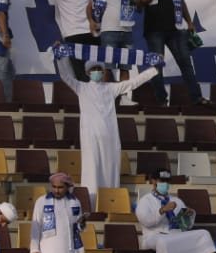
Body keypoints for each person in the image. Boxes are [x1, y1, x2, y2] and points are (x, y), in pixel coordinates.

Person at [57, 51, 159, 199]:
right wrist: (61, 57)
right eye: (93, 70)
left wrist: (153, 69)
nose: (97, 72)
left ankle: (110, 200)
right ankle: (91, 203)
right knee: (92, 170)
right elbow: (66, 76)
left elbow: (133, 83)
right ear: (87, 72)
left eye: (99, 69)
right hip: (90, 137)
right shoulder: (81, 87)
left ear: (104, 71)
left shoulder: (111, 88)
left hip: (110, 136)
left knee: (110, 169)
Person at [135, 0, 207, 108]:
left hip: (176, 29)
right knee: (157, 67)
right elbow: (139, 4)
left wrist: (189, 21)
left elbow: (180, 0)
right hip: (154, 30)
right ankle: (161, 100)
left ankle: (197, 98)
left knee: (186, 64)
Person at [137, 167, 216, 253]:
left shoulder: (176, 200)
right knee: (163, 241)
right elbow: (145, 221)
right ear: (153, 181)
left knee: (204, 233)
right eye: (162, 181)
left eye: (167, 181)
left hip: (175, 235)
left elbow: (184, 226)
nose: (165, 184)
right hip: (154, 236)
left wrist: (189, 215)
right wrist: (162, 210)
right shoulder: (145, 201)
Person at [88, 0, 140, 95]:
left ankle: (123, 96)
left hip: (126, 31)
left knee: (125, 67)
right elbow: (90, 6)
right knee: (108, 67)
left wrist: (137, 3)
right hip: (108, 31)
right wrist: (91, 21)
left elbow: (139, 8)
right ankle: (108, 95)